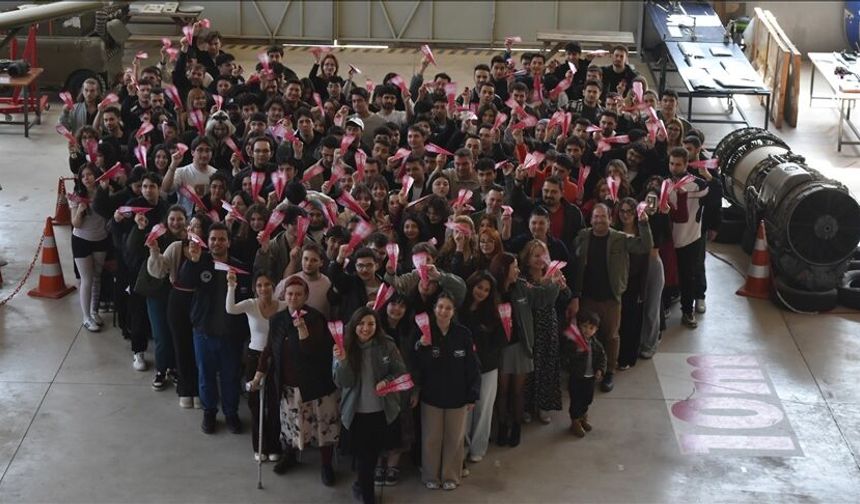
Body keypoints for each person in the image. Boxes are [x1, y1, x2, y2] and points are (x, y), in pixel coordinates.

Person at [252, 276, 339, 486]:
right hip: (289, 385)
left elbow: (315, 352)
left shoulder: (316, 319)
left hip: (317, 385)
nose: (293, 297)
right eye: (290, 294)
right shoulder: (278, 319)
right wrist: (259, 374)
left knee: (322, 427)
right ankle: (289, 456)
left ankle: (326, 465)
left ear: (306, 296)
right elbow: (269, 348)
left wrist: (302, 332)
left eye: (298, 294)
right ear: (284, 295)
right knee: (291, 424)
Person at [178, 222, 251, 434]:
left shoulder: (241, 269)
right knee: (206, 375)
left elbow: (248, 300)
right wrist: (192, 262)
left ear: (228, 241)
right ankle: (209, 412)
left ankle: (231, 413)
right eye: (213, 239)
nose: (217, 243)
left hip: (231, 336)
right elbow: (185, 283)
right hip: (204, 333)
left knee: (230, 377)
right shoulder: (199, 263)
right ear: (207, 242)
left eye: (221, 239)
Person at [572, 203, 653, 393]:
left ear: (610, 219)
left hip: (611, 298)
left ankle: (609, 372)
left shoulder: (620, 238)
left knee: (611, 336)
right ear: (591, 219)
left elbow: (645, 245)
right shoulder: (583, 237)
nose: (599, 220)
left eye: (603, 217)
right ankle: (587, 369)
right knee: (586, 336)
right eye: (596, 217)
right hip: (588, 297)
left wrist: (643, 224)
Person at [333, 307, 407, 504]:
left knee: (371, 457)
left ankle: (361, 485)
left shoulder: (387, 345)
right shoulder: (343, 347)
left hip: (382, 412)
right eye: (361, 324)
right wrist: (342, 361)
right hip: (356, 413)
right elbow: (343, 382)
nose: (366, 328)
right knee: (365, 458)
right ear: (354, 325)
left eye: (371, 324)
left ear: (377, 325)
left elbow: (400, 371)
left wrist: (387, 381)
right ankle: (367, 495)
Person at [489, 252, 561, 447]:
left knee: (518, 391)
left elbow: (540, 298)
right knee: (502, 391)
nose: (518, 270)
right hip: (500, 349)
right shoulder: (491, 289)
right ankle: (503, 425)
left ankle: (517, 426)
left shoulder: (521, 286)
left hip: (520, 347)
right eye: (515, 267)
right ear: (505, 270)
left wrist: (554, 284)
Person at [413, 291, 481, 490]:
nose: (443, 311)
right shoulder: (424, 333)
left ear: (454, 312)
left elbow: (473, 366)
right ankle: (430, 476)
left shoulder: (463, 334)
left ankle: (451, 476)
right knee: (431, 438)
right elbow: (416, 365)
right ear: (434, 309)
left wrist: (472, 394)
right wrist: (421, 346)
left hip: (458, 397)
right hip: (431, 396)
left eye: (448, 308)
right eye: (440, 307)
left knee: (455, 438)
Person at [226, 270, 287, 462]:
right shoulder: (250, 305)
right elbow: (230, 309)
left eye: (267, 284)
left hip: (276, 358)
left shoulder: (283, 306)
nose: (264, 289)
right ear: (254, 288)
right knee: (255, 404)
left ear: (274, 286)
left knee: (274, 402)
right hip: (254, 356)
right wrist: (231, 286)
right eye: (259, 285)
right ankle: (259, 445)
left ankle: (274, 445)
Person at [460, 271, 505, 462]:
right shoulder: (459, 308)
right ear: (472, 285)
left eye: (486, 290)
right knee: (464, 410)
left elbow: (501, 341)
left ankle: (478, 448)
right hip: (462, 367)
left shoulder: (494, 313)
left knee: (484, 408)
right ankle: (462, 447)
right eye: (479, 287)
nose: (482, 292)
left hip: (487, 367)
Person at [71, 164, 111, 334]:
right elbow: (75, 224)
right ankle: (86, 317)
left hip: (100, 239)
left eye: (90, 174)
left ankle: (94, 311)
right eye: (83, 176)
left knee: (97, 276)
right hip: (81, 240)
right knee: (86, 279)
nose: (86, 178)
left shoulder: (104, 192)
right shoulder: (76, 196)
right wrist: (80, 211)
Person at [562, 310, 606, 437]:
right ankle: (575, 421)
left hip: (590, 377)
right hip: (577, 377)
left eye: (591, 328)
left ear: (596, 330)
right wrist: (575, 354)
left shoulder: (597, 345)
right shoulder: (573, 342)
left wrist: (600, 369)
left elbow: (602, 358)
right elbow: (566, 357)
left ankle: (583, 417)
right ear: (579, 326)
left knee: (588, 398)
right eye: (585, 326)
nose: (587, 330)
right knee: (576, 399)